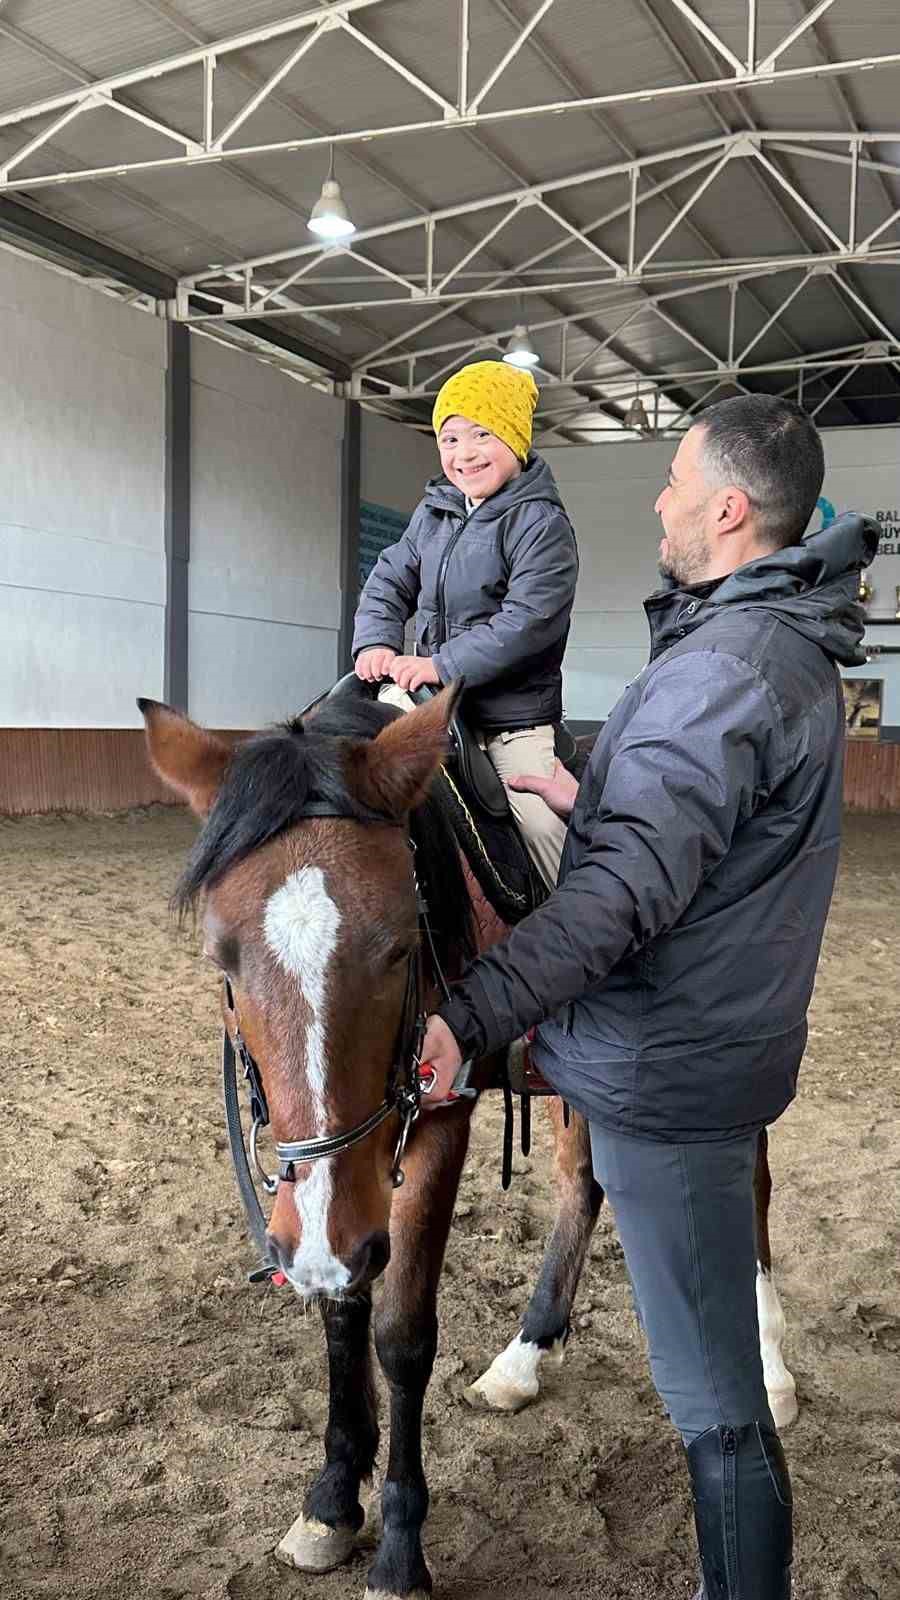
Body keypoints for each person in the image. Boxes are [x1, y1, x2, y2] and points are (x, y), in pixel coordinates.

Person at [419, 394, 880, 1599]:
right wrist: (605, 806)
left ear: (729, 510)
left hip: (667, 1071)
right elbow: (692, 842)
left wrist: (464, 1017)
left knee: (718, 1410)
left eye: (676, 480)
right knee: (720, 1393)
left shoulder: (723, 667)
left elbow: (618, 901)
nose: (662, 499)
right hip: (709, 1046)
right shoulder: (767, 652)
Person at [352, 359, 578, 890]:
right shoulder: (433, 513)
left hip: (509, 718)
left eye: (482, 434)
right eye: (450, 439)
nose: (464, 453)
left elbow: (528, 622)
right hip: (433, 704)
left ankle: (577, 923)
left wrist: (439, 663)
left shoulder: (541, 523)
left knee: (540, 820)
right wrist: (377, 641)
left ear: (516, 439)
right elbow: (389, 579)